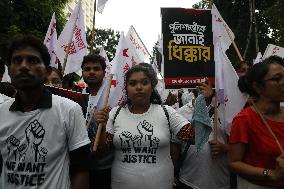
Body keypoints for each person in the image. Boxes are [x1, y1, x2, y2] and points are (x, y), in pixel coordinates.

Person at [0, 35, 90, 189]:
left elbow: (81, 169)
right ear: (9, 70)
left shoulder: (69, 110)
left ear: (47, 70)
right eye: (17, 61)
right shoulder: (1, 112)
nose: (23, 66)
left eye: (32, 60)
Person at [96, 64, 194, 189]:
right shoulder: (115, 113)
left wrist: (202, 101)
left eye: (144, 83)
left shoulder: (167, 112)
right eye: (132, 83)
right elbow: (102, 150)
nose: (138, 87)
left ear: (152, 87)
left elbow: (193, 138)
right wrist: (102, 129)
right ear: (126, 88)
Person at [229, 56, 284, 188]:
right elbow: (234, 162)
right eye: (277, 79)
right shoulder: (244, 120)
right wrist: (270, 173)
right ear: (258, 87)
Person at [175, 80, 231, 189]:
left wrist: (226, 148)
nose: (204, 86)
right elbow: (175, 148)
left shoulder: (227, 110)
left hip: (221, 181)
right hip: (188, 179)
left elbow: (244, 146)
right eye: (200, 82)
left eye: (207, 82)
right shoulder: (181, 112)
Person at [81, 54, 113, 189]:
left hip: (106, 167)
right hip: (80, 167)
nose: (92, 72)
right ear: (82, 73)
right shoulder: (77, 96)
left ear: (104, 72)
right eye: (87, 69)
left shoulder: (112, 96)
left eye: (96, 68)